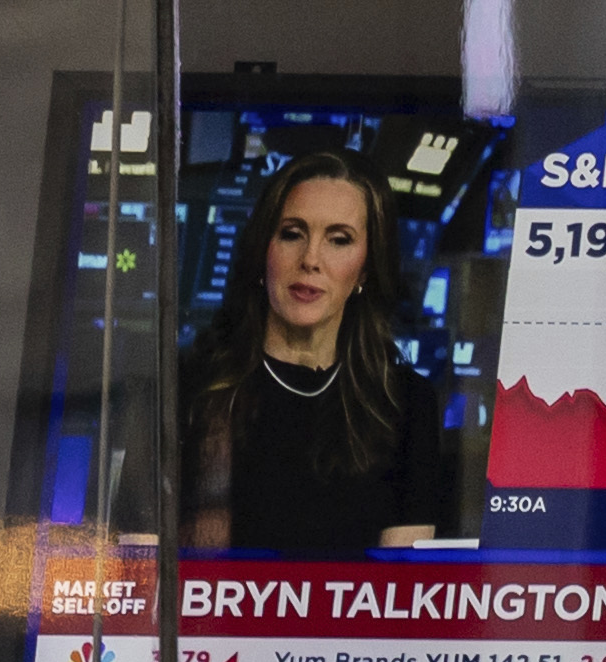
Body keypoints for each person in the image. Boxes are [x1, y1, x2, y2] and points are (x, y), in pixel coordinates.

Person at [179, 148, 447, 556]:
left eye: (339, 240)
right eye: (292, 233)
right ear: (262, 250)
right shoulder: (188, 388)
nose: (310, 260)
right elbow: (144, 583)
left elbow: (402, 596)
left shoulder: (407, 404)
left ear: (366, 268)